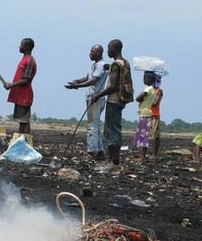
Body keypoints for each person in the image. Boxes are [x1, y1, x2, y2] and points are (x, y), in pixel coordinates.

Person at [88, 39, 134, 170]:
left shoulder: (115, 64)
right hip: (121, 100)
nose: (107, 51)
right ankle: (114, 160)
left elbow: (112, 86)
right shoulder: (125, 63)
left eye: (109, 48)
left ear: (115, 49)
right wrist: (109, 70)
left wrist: (98, 95)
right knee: (115, 129)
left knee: (111, 131)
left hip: (113, 100)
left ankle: (112, 162)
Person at [65, 44, 109, 161]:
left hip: (95, 98)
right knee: (95, 126)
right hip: (93, 97)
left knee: (92, 127)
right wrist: (76, 81)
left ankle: (91, 152)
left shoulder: (101, 65)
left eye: (92, 52)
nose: (90, 54)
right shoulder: (95, 65)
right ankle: (99, 152)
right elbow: (88, 77)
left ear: (98, 53)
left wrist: (77, 86)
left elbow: (93, 81)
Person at [3, 38, 37, 136]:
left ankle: (26, 143)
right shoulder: (24, 59)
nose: (20, 47)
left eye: (21, 45)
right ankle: (21, 141)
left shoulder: (29, 60)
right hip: (20, 95)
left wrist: (11, 85)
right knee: (21, 121)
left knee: (25, 121)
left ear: (26, 47)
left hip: (25, 96)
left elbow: (26, 79)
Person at [130, 72, 156, 162]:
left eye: (145, 78)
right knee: (144, 134)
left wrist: (140, 97)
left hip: (145, 114)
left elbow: (138, 98)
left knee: (143, 135)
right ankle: (142, 155)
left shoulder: (148, 89)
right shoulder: (153, 89)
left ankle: (142, 156)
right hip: (146, 113)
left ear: (149, 79)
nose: (143, 79)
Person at [150, 74, 164, 160]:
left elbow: (155, 103)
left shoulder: (159, 91)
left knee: (156, 136)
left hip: (154, 115)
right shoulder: (150, 90)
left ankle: (154, 154)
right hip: (148, 114)